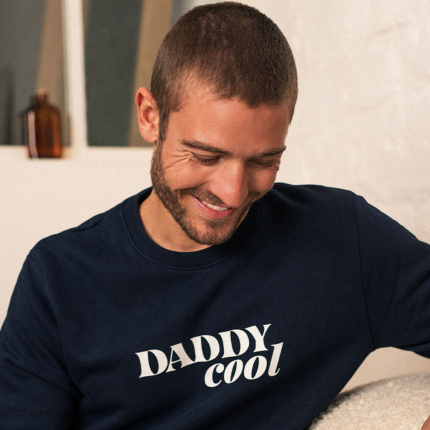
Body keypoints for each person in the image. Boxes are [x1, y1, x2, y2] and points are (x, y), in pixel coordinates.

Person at [1, 2, 429, 429]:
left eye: (264, 161)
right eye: (205, 156)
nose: (232, 192)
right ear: (150, 118)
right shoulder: (59, 279)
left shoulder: (340, 237)